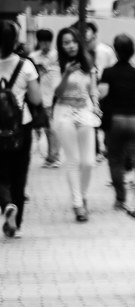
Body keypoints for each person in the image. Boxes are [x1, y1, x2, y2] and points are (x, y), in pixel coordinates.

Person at [51, 27, 100, 222]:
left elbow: (93, 90)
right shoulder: (56, 64)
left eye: (73, 41)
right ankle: (78, 203)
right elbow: (57, 93)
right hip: (64, 112)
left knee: (88, 162)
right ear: (61, 46)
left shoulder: (88, 62)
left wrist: (96, 105)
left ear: (79, 42)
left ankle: (83, 195)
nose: (70, 46)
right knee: (74, 160)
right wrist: (66, 74)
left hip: (85, 111)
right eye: (66, 43)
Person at [98, 34, 135, 213]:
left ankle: (120, 200)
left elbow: (102, 95)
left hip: (115, 120)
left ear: (115, 51)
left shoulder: (108, 73)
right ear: (133, 51)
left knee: (115, 160)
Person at [0, 20, 41, 238]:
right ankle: (16, 225)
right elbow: (36, 98)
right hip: (20, 127)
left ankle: (6, 203)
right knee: (19, 174)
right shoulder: (26, 65)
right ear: (15, 40)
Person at [30, 29, 59, 167]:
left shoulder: (57, 56)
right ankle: (50, 156)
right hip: (39, 97)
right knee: (43, 128)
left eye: (47, 42)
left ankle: (54, 157)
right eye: (42, 42)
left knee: (51, 128)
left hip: (53, 97)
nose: (45, 45)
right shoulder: (33, 57)